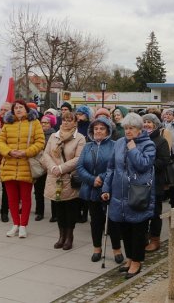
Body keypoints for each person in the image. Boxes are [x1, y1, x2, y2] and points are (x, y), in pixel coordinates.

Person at [101, 113, 156, 279]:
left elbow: (143, 165)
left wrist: (133, 149)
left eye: (131, 128)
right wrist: (106, 188)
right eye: (125, 128)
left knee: (138, 230)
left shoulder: (149, 144)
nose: (128, 131)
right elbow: (111, 167)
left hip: (138, 194)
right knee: (124, 229)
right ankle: (130, 257)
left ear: (140, 129)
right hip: (119, 193)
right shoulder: (118, 143)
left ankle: (137, 261)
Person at [0, 99, 45, 238]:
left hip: (26, 165)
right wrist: (9, 151)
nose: (18, 110)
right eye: (16, 108)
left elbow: (40, 142)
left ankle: (23, 225)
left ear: (26, 109)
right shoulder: (7, 124)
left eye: (21, 107)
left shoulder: (34, 123)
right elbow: (0, 141)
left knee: (26, 197)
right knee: (12, 198)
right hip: (9, 165)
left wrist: (26, 152)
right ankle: (15, 224)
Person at [77, 116, 123, 263]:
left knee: (112, 221)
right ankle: (97, 248)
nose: (98, 131)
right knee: (95, 221)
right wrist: (92, 179)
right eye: (96, 128)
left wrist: (101, 178)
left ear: (108, 130)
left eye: (102, 128)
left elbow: (116, 165)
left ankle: (117, 249)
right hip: (91, 189)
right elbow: (80, 167)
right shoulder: (87, 146)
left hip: (109, 188)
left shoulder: (115, 145)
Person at [42, 111, 86, 250]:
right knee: (58, 208)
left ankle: (69, 236)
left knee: (70, 209)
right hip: (54, 177)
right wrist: (53, 167)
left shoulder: (79, 138)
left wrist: (61, 168)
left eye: (69, 120)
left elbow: (79, 158)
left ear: (75, 122)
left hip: (69, 177)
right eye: (64, 120)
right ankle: (61, 236)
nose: (66, 122)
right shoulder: (54, 136)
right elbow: (46, 154)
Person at [142, 113, 170, 252]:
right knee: (142, 209)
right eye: (144, 122)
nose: (146, 124)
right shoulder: (139, 139)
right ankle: (143, 236)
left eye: (149, 122)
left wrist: (145, 164)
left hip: (155, 182)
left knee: (155, 212)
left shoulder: (161, 141)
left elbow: (164, 161)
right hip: (140, 182)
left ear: (155, 124)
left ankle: (155, 239)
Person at [33, 114, 57, 222]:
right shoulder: (37, 133)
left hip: (50, 166)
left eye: (46, 122)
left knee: (52, 190)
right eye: (42, 122)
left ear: (51, 124)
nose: (44, 124)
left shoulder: (55, 135)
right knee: (38, 190)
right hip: (39, 165)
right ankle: (39, 212)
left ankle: (55, 214)